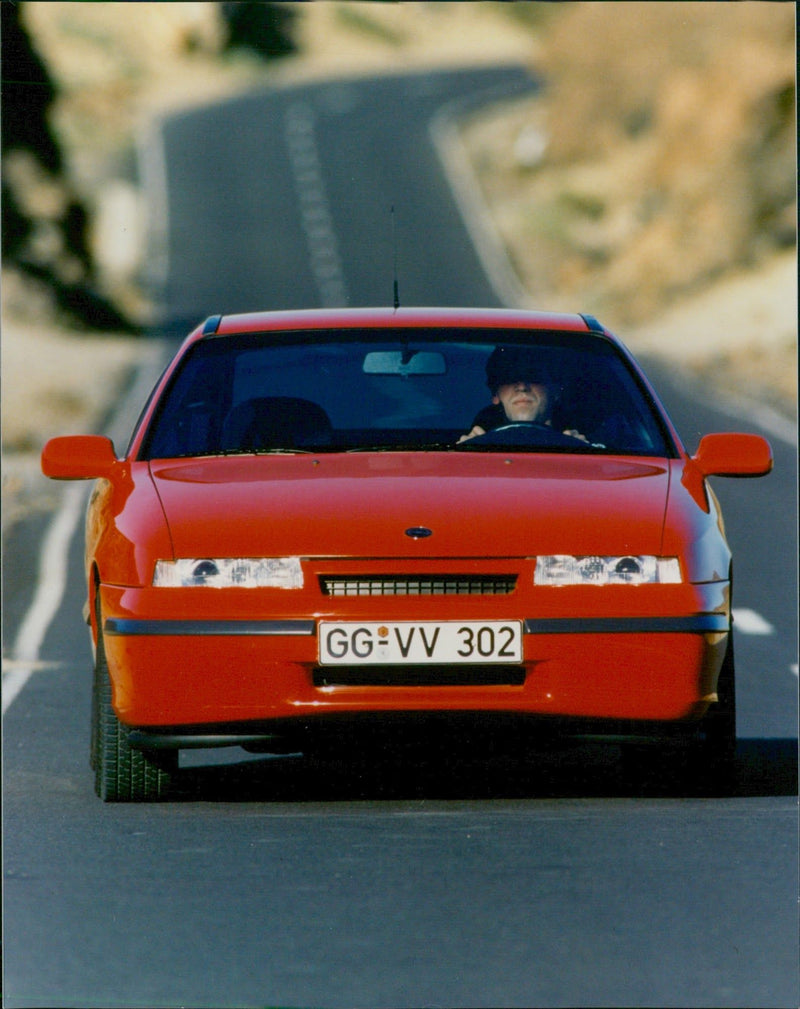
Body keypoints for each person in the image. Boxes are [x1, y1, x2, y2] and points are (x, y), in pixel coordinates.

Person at [458, 345, 586, 442]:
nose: (522, 387)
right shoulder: (477, 441)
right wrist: (464, 452)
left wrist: (583, 453)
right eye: (509, 378)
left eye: (533, 376)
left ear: (556, 391)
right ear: (495, 394)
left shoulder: (578, 439)